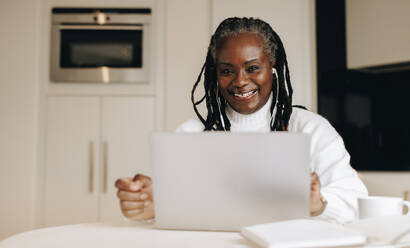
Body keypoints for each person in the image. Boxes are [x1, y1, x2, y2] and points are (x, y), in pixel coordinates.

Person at [115, 17, 368, 224]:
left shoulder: (311, 129)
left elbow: (357, 204)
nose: (240, 81)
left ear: (273, 67)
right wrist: (148, 208)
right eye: (227, 71)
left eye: (253, 68)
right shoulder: (192, 135)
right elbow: (172, 213)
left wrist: (318, 204)